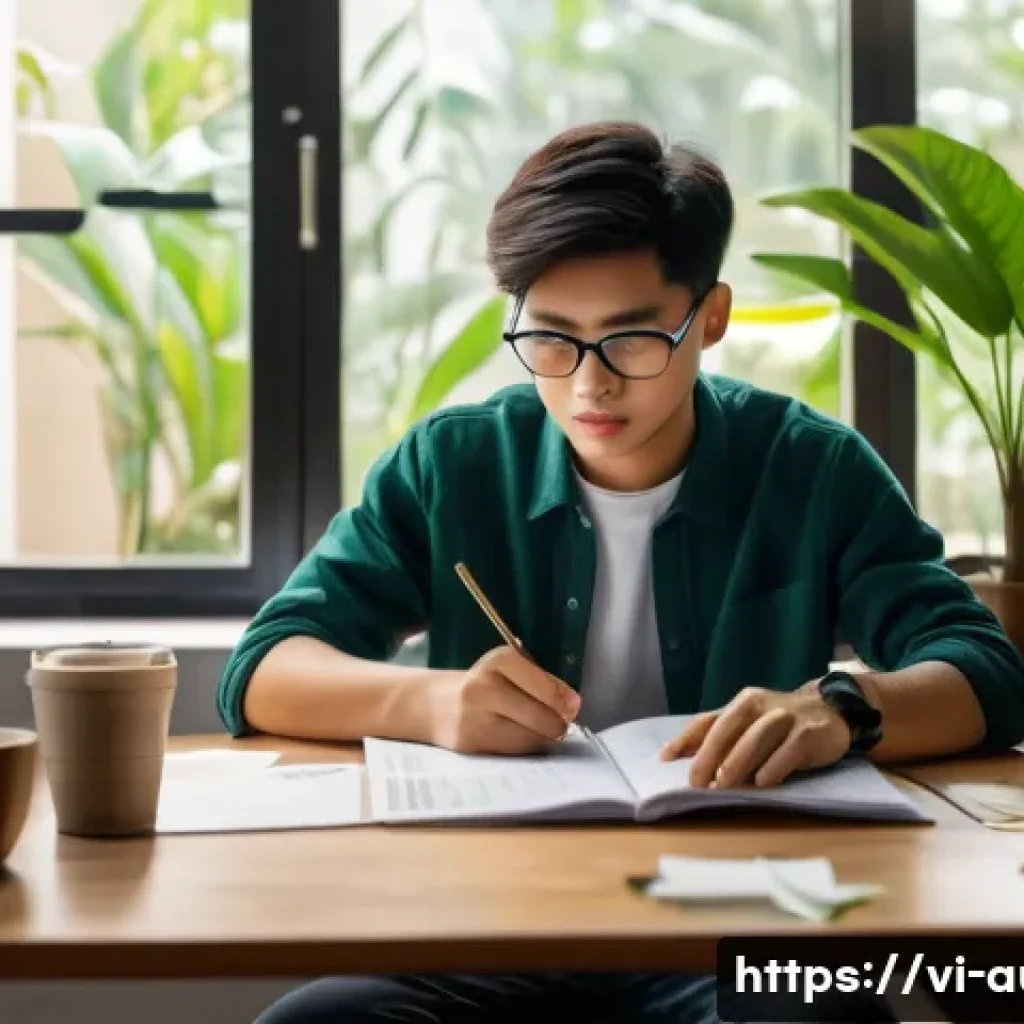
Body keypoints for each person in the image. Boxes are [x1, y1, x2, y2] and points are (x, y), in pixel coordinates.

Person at [217, 121, 1024, 1023]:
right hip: (489, 921)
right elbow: (266, 667)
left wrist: (838, 709)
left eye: (632, 340)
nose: (590, 387)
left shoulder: (810, 468)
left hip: (736, 931)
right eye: (552, 341)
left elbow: (986, 672)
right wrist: (433, 703)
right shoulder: (455, 464)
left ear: (710, 318)